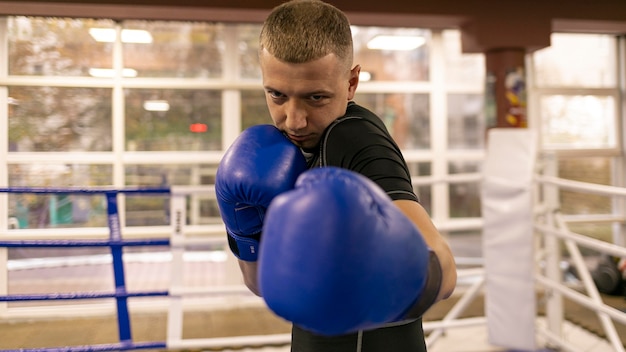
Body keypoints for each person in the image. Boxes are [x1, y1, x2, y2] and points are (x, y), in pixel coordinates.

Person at [215, 0, 457, 351]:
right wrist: (244, 230)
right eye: (277, 95)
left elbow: (445, 269)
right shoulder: (282, 153)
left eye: (316, 97)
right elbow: (261, 285)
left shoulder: (353, 138)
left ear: (351, 82)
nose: (294, 119)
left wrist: (379, 274)